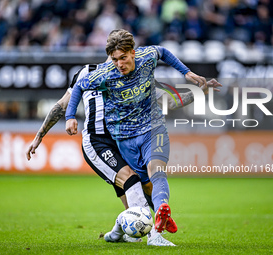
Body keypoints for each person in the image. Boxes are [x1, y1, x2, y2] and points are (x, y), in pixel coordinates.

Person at [26, 63, 221, 246]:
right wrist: (39, 136)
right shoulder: (86, 73)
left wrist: (197, 92)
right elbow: (61, 105)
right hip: (97, 141)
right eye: (118, 56)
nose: (122, 62)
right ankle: (154, 236)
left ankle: (120, 230)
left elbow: (168, 101)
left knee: (145, 186)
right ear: (111, 53)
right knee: (131, 180)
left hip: (122, 139)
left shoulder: (136, 74)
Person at [65, 29, 210, 242]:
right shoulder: (105, 74)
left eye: (123, 58)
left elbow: (162, 52)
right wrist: (70, 116)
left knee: (156, 169)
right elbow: (78, 86)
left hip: (152, 127)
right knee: (145, 185)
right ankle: (149, 220)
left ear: (133, 53)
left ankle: (161, 216)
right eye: (115, 59)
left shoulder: (146, 57)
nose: (119, 64)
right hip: (124, 137)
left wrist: (185, 72)